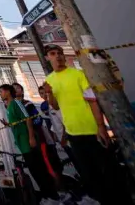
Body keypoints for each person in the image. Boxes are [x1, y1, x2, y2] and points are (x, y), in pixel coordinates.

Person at [43, 44, 112, 204]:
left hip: (92, 130)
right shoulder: (49, 79)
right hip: (73, 133)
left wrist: (101, 126)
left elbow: (93, 101)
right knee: (88, 172)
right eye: (53, 53)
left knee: (107, 171)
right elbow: (55, 106)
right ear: (47, 58)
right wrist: (49, 93)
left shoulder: (78, 74)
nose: (58, 56)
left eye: (60, 53)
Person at [0, 83, 60, 203]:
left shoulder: (17, 103)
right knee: (34, 172)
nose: (0, 94)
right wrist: (8, 124)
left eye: (1, 91)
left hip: (28, 142)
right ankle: (46, 196)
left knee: (40, 170)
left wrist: (31, 137)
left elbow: (27, 118)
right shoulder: (9, 107)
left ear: (8, 92)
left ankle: (54, 196)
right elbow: (18, 122)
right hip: (22, 145)